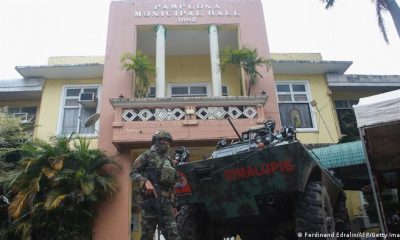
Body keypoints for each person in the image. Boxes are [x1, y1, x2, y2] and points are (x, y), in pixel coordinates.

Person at [130, 130, 181, 240]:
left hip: (166, 202)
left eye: (168, 141)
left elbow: (172, 184)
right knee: (148, 233)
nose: (166, 143)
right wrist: (145, 182)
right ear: (156, 141)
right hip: (150, 199)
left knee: (173, 233)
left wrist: (174, 205)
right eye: (163, 140)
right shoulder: (146, 156)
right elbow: (133, 173)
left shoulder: (169, 160)